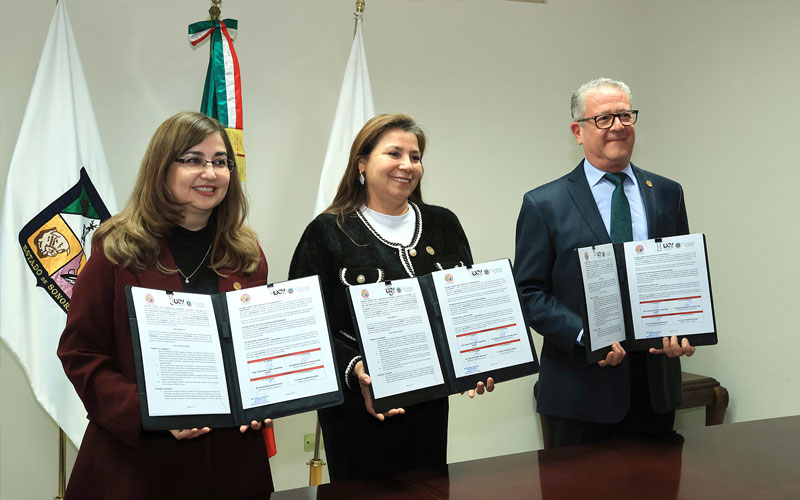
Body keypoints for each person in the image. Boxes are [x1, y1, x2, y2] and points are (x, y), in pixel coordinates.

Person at [57, 111, 273, 499]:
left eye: (220, 162)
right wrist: (147, 411)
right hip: (139, 464)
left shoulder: (245, 253)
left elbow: (255, 350)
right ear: (162, 168)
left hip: (232, 464)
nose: (210, 172)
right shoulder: (117, 249)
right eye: (193, 160)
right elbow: (81, 353)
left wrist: (265, 395)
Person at [289, 113, 493, 481]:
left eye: (415, 157)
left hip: (430, 406)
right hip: (357, 411)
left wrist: (480, 357)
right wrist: (355, 368)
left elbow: (466, 305)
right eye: (394, 154)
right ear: (362, 164)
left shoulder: (443, 224)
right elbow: (303, 324)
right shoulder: (327, 231)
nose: (407, 165)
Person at [514, 78, 696, 448]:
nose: (617, 126)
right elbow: (528, 292)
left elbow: (678, 275)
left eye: (625, 116)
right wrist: (586, 337)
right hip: (580, 394)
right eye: (603, 118)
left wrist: (682, 327)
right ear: (577, 131)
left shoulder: (667, 192)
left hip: (654, 392)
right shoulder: (544, 203)